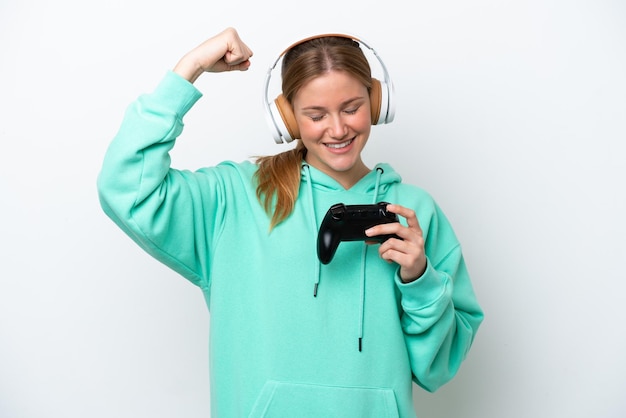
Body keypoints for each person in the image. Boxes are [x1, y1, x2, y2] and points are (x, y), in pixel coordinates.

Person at [97, 27, 483, 418]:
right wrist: (189, 69)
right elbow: (125, 187)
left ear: (377, 101)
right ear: (287, 118)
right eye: (316, 115)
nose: (338, 129)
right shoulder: (234, 199)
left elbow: (437, 368)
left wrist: (420, 279)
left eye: (351, 108)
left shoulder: (413, 213)